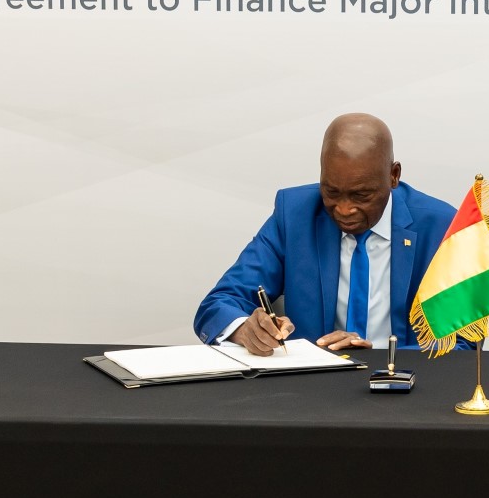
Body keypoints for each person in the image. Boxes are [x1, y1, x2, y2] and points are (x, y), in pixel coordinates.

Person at [194, 113, 458, 356]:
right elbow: (219, 303)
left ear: (393, 176)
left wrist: (379, 356)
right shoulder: (294, 215)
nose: (343, 209)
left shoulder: (441, 226)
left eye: (361, 195)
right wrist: (245, 329)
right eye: (331, 192)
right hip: (313, 384)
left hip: (406, 380)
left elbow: (463, 340)